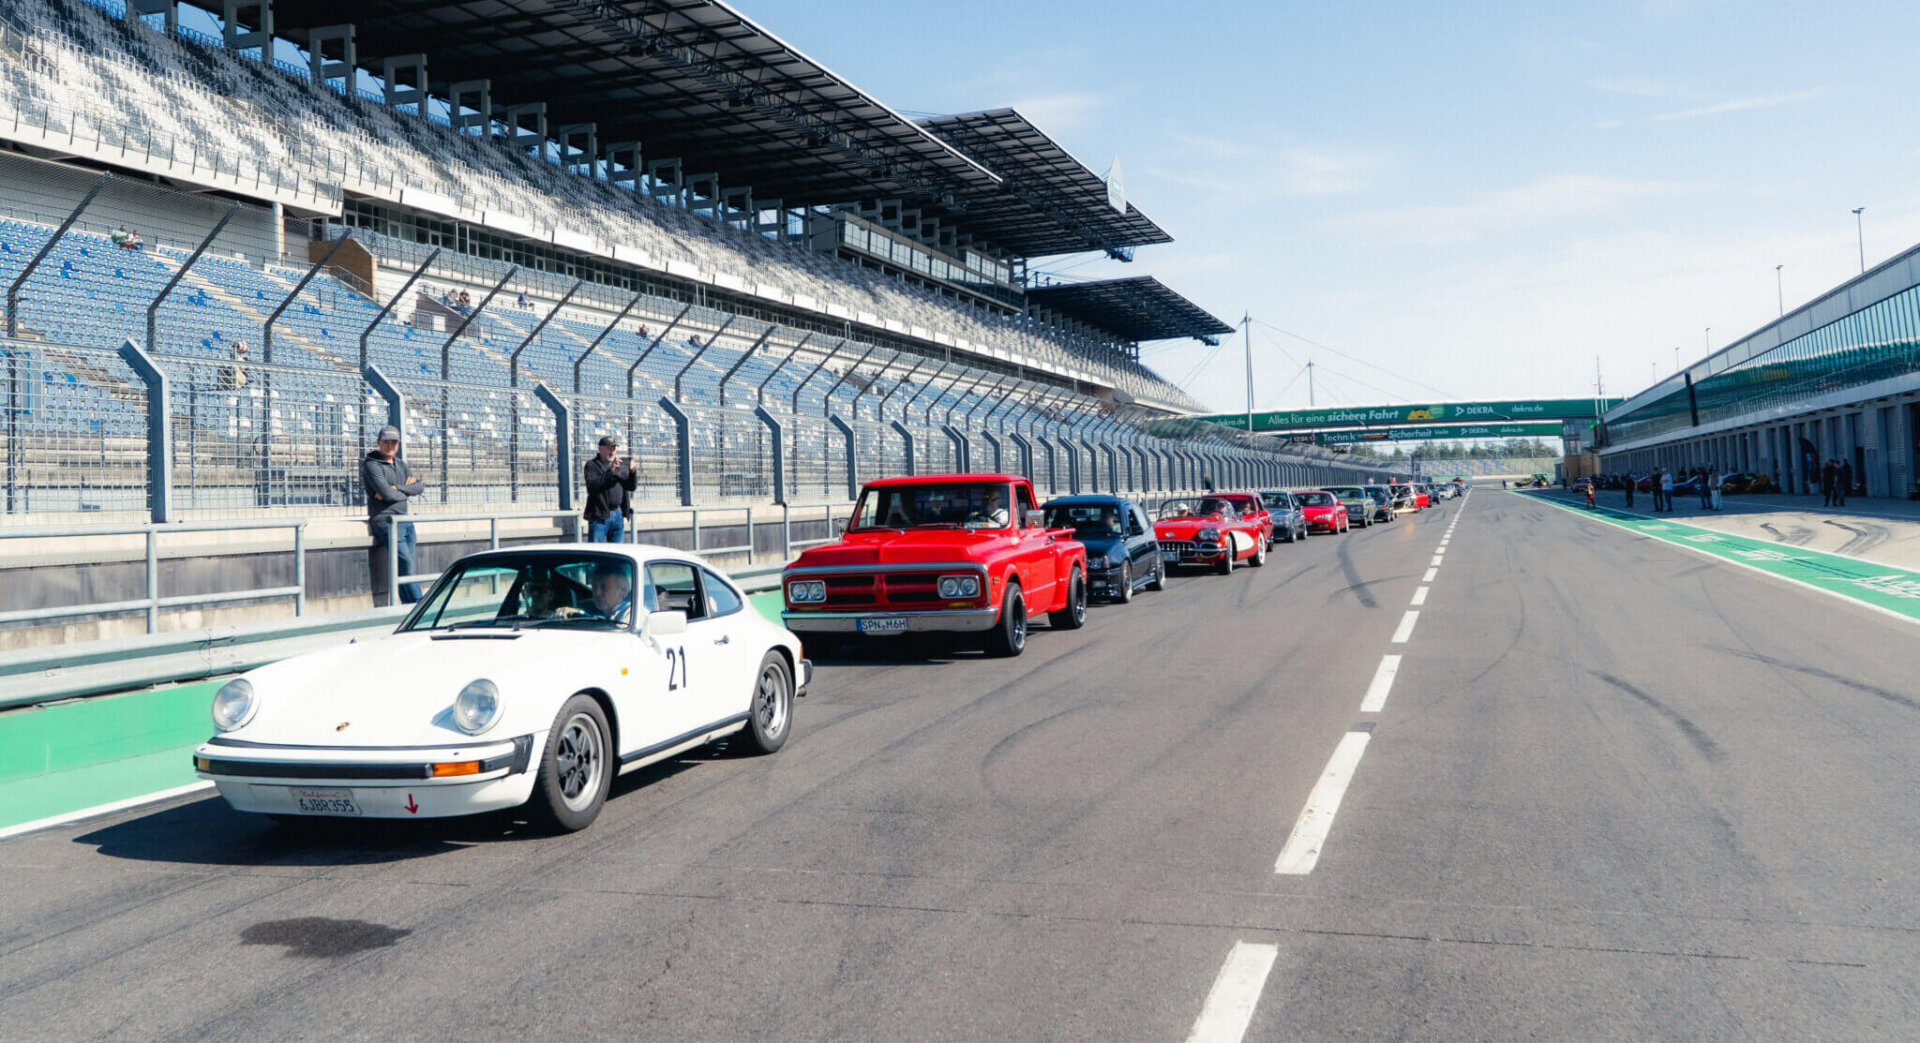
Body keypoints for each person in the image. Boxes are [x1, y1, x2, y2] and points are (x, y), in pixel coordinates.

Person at [362, 425, 426, 604]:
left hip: (405, 521)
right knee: (407, 564)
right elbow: (388, 494)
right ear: (378, 442)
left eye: (393, 442)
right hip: (386, 522)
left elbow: (419, 487)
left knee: (407, 566)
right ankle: (418, 606)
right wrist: (406, 490)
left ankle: (408, 608)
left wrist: (397, 488)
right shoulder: (371, 465)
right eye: (386, 442)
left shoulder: (402, 465)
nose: (390, 446)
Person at [583, 435, 637, 543]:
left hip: (617, 513)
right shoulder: (592, 465)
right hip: (599, 515)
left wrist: (632, 472)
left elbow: (631, 487)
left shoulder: (619, 465)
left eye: (613, 449)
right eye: (608, 448)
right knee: (596, 551)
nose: (611, 452)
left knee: (618, 552)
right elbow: (592, 486)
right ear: (600, 449)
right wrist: (610, 472)